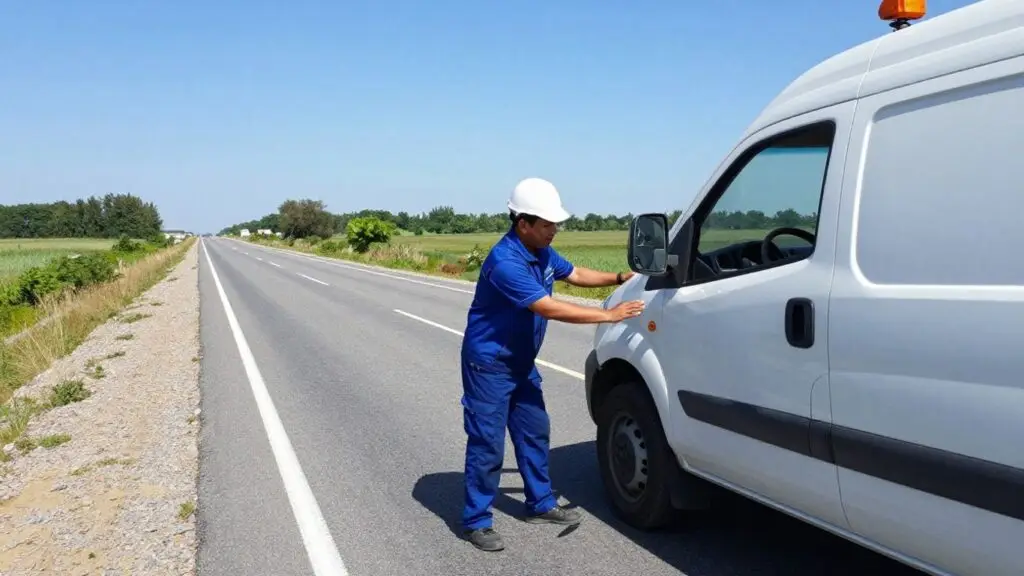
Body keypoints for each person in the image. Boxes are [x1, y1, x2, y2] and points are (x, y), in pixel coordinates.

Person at [459, 177, 646, 552]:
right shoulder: (505, 261)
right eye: (547, 225)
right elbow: (547, 307)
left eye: (555, 224)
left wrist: (622, 277)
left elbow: (575, 274)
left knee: (534, 432)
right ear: (522, 223)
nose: (554, 231)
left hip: (521, 362)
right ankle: (476, 520)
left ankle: (540, 504)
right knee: (488, 444)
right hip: (490, 365)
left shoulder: (542, 252)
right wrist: (608, 315)